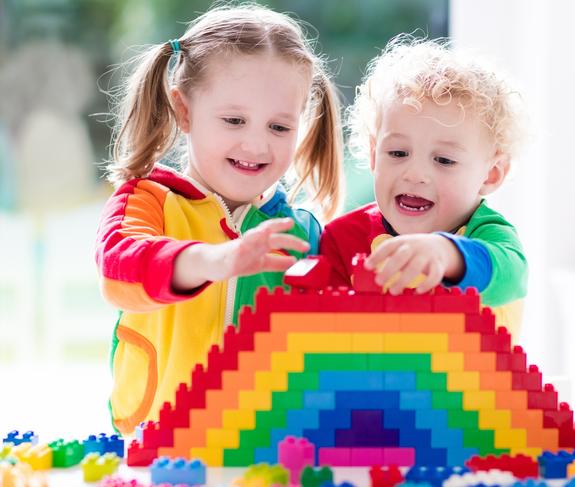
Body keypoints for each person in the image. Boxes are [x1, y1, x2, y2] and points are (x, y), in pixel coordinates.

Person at [95, 4, 343, 434]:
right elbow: (122, 273)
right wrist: (217, 260)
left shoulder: (301, 231)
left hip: (265, 452)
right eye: (234, 120)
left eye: (279, 128)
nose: (256, 144)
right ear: (184, 110)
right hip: (158, 447)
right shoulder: (147, 200)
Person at [321, 36, 527, 338]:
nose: (414, 174)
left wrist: (447, 254)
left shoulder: (487, 234)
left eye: (443, 160)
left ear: (491, 174)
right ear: (373, 155)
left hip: (466, 383)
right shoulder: (342, 238)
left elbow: (512, 276)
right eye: (398, 153)